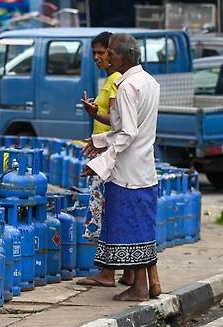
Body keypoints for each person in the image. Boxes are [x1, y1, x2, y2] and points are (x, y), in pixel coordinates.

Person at [82, 33, 161, 302]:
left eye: (111, 54)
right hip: (145, 169)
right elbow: (130, 131)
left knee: (129, 227)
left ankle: (139, 287)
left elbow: (126, 133)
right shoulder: (150, 82)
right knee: (141, 227)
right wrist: (99, 140)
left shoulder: (127, 87)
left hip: (127, 173)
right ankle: (139, 284)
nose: (107, 58)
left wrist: (100, 163)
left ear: (124, 56)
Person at [77, 31, 134, 288]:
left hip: (107, 155)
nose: (98, 57)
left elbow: (117, 122)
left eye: (103, 52)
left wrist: (94, 114)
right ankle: (129, 272)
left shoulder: (115, 81)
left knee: (104, 212)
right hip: (108, 150)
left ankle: (107, 272)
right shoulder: (118, 80)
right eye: (96, 53)